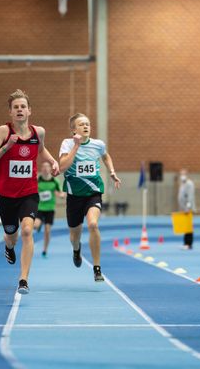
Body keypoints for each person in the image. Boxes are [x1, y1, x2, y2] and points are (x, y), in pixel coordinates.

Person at [0, 89, 59, 295]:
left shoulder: (38, 132)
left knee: (27, 230)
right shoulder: (3, 131)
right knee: (12, 235)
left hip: (29, 192)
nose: (19, 110)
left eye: (22, 107)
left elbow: (41, 149)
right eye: (15, 107)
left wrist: (52, 161)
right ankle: (8, 246)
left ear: (29, 111)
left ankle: (23, 279)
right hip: (7, 196)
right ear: (10, 112)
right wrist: (7, 147)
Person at [59, 113, 122, 282]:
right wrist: (76, 146)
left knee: (93, 224)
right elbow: (63, 167)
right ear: (74, 129)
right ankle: (76, 250)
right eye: (81, 124)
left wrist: (112, 172)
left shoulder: (98, 144)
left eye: (87, 124)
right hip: (74, 196)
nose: (86, 126)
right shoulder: (67, 144)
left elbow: (105, 155)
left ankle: (97, 268)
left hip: (93, 193)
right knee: (75, 237)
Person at [34, 161, 65, 258]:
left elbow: (61, 193)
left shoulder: (54, 181)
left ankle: (44, 250)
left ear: (50, 169)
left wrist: (62, 195)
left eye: (47, 167)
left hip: (50, 209)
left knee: (47, 231)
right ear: (41, 169)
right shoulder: (38, 180)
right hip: (39, 208)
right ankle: (39, 226)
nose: (45, 169)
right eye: (43, 167)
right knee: (35, 226)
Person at [177, 169, 196, 250]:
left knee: (188, 226)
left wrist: (188, 208)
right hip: (183, 208)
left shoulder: (189, 184)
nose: (182, 176)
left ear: (187, 175)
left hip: (188, 209)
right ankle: (185, 243)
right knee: (185, 226)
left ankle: (189, 243)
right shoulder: (182, 184)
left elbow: (190, 196)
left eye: (184, 174)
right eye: (181, 174)